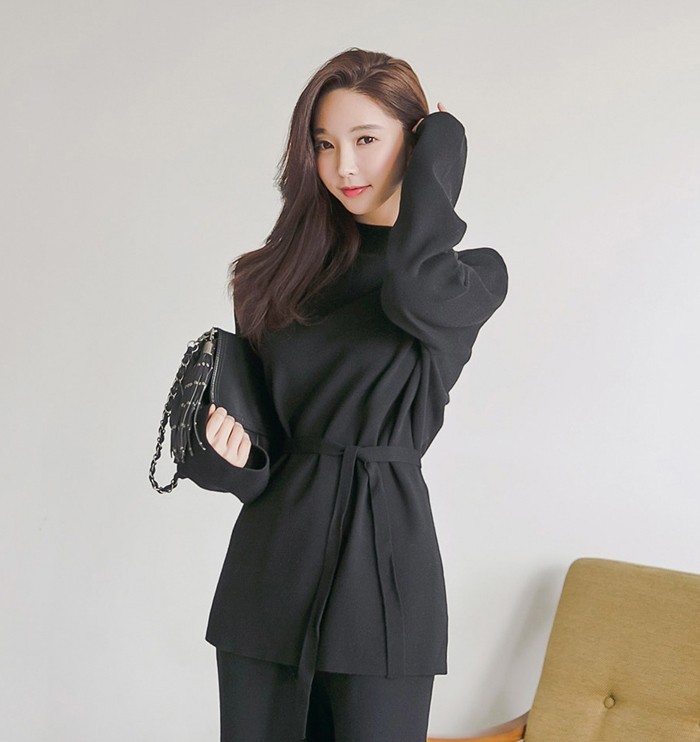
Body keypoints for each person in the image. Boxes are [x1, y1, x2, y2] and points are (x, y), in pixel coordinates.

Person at [175, 47, 508, 742]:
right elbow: (262, 453)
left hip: (383, 581)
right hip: (269, 576)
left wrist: (445, 147)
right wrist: (232, 455)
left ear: (415, 143)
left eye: (366, 140)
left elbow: (412, 286)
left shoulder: (467, 278)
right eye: (324, 145)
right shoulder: (273, 277)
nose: (343, 167)